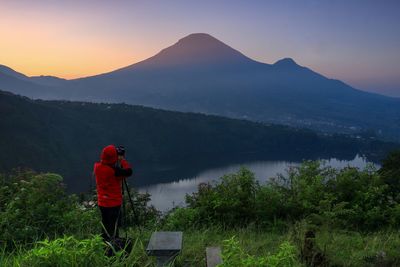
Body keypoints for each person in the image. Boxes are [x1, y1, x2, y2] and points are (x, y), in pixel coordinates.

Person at [93, 145, 132, 242]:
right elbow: (129, 172)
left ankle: (104, 245)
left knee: (105, 225)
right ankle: (113, 248)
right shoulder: (114, 171)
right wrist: (122, 160)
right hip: (113, 204)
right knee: (114, 228)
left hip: (102, 202)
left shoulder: (97, 167)